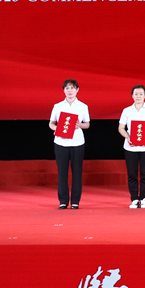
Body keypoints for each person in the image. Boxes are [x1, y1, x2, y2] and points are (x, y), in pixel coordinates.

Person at [49, 79, 90, 210]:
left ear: (77, 90)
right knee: (62, 172)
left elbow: (87, 124)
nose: (70, 90)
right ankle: (63, 201)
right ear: (64, 90)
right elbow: (51, 123)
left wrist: (80, 125)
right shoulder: (58, 106)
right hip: (61, 142)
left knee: (77, 172)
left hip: (77, 142)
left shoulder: (83, 106)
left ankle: (75, 201)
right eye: (67, 88)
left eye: (72, 88)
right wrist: (57, 128)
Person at [118, 85, 145, 209]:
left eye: (141, 94)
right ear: (132, 96)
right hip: (130, 147)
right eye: (136, 94)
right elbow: (121, 128)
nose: (138, 96)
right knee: (132, 174)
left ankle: (144, 198)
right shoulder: (127, 111)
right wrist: (128, 137)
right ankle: (134, 199)